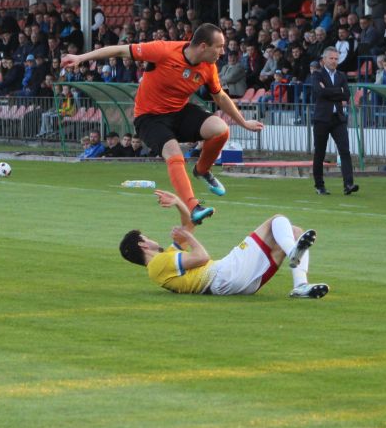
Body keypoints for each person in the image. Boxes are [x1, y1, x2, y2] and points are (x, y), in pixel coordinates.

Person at [61, 24, 264, 224]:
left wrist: (243, 122)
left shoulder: (208, 67)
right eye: (219, 47)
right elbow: (120, 50)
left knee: (221, 130)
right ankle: (193, 207)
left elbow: (220, 96)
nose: (223, 52)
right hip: (149, 118)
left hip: (179, 112)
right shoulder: (164, 50)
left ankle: (202, 171)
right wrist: (81, 58)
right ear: (203, 46)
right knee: (175, 155)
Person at [119, 189, 328, 299]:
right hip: (223, 275)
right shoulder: (158, 264)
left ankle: (300, 286)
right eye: (146, 237)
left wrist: (178, 203)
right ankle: (293, 253)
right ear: (143, 245)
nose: (151, 239)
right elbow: (202, 257)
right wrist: (189, 237)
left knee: (294, 232)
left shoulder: (164, 261)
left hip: (232, 283)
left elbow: (188, 225)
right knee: (277, 220)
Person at [310, 47, 358, 195]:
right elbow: (320, 92)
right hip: (322, 119)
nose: (334, 61)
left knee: (345, 151)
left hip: (338, 119)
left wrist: (329, 91)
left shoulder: (341, 76)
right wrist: (338, 91)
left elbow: (346, 95)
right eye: (331, 58)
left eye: (336, 59)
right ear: (324, 59)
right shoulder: (317, 75)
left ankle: (348, 184)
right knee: (320, 153)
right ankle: (319, 185)